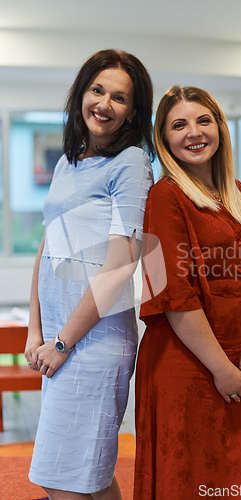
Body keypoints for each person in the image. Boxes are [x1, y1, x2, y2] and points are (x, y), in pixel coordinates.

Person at [134, 86, 241, 499]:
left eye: (203, 120)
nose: (193, 132)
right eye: (179, 124)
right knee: (189, 482)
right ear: (164, 139)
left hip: (240, 360)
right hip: (187, 365)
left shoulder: (237, 192)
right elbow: (174, 295)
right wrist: (221, 368)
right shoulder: (164, 197)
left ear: (219, 127)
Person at [25, 49, 154, 500]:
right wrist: (35, 330)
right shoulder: (68, 161)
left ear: (133, 112)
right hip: (62, 337)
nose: (104, 103)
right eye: (97, 90)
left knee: (64, 483)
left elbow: (121, 265)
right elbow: (47, 248)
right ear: (81, 93)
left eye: (119, 97)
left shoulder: (133, 164)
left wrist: (62, 342)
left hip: (94, 343)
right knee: (89, 478)